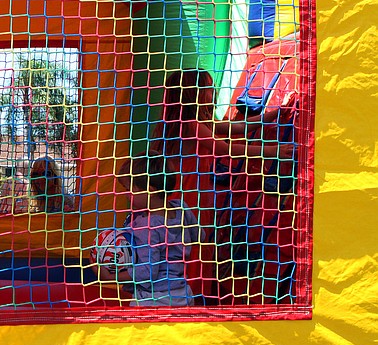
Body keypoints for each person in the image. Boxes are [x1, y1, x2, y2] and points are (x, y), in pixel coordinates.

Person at [152, 68, 295, 300]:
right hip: (188, 199)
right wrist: (273, 151)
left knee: (197, 245)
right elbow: (226, 148)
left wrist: (274, 114)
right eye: (208, 88)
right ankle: (188, 296)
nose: (213, 92)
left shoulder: (200, 122)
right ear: (194, 93)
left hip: (194, 196)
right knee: (191, 247)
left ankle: (192, 293)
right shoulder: (191, 125)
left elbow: (240, 127)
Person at [97, 150, 200, 306]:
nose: (126, 194)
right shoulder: (182, 209)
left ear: (150, 191)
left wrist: (111, 277)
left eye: (128, 189)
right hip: (183, 294)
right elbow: (200, 236)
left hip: (154, 300)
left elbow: (147, 273)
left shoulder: (148, 227)